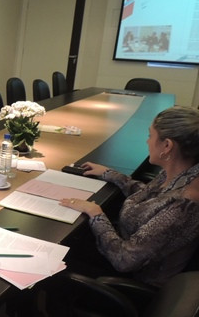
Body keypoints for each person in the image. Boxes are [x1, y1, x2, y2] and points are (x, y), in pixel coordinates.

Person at [60, 106, 199, 286]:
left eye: (150, 135)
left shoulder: (184, 203)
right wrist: (110, 174)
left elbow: (124, 260)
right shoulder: (182, 172)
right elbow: (153, 199)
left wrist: (96, 214)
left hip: (133, 278)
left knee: (59, 255)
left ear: (167, 146)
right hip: (126, 244)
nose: (147, 141)